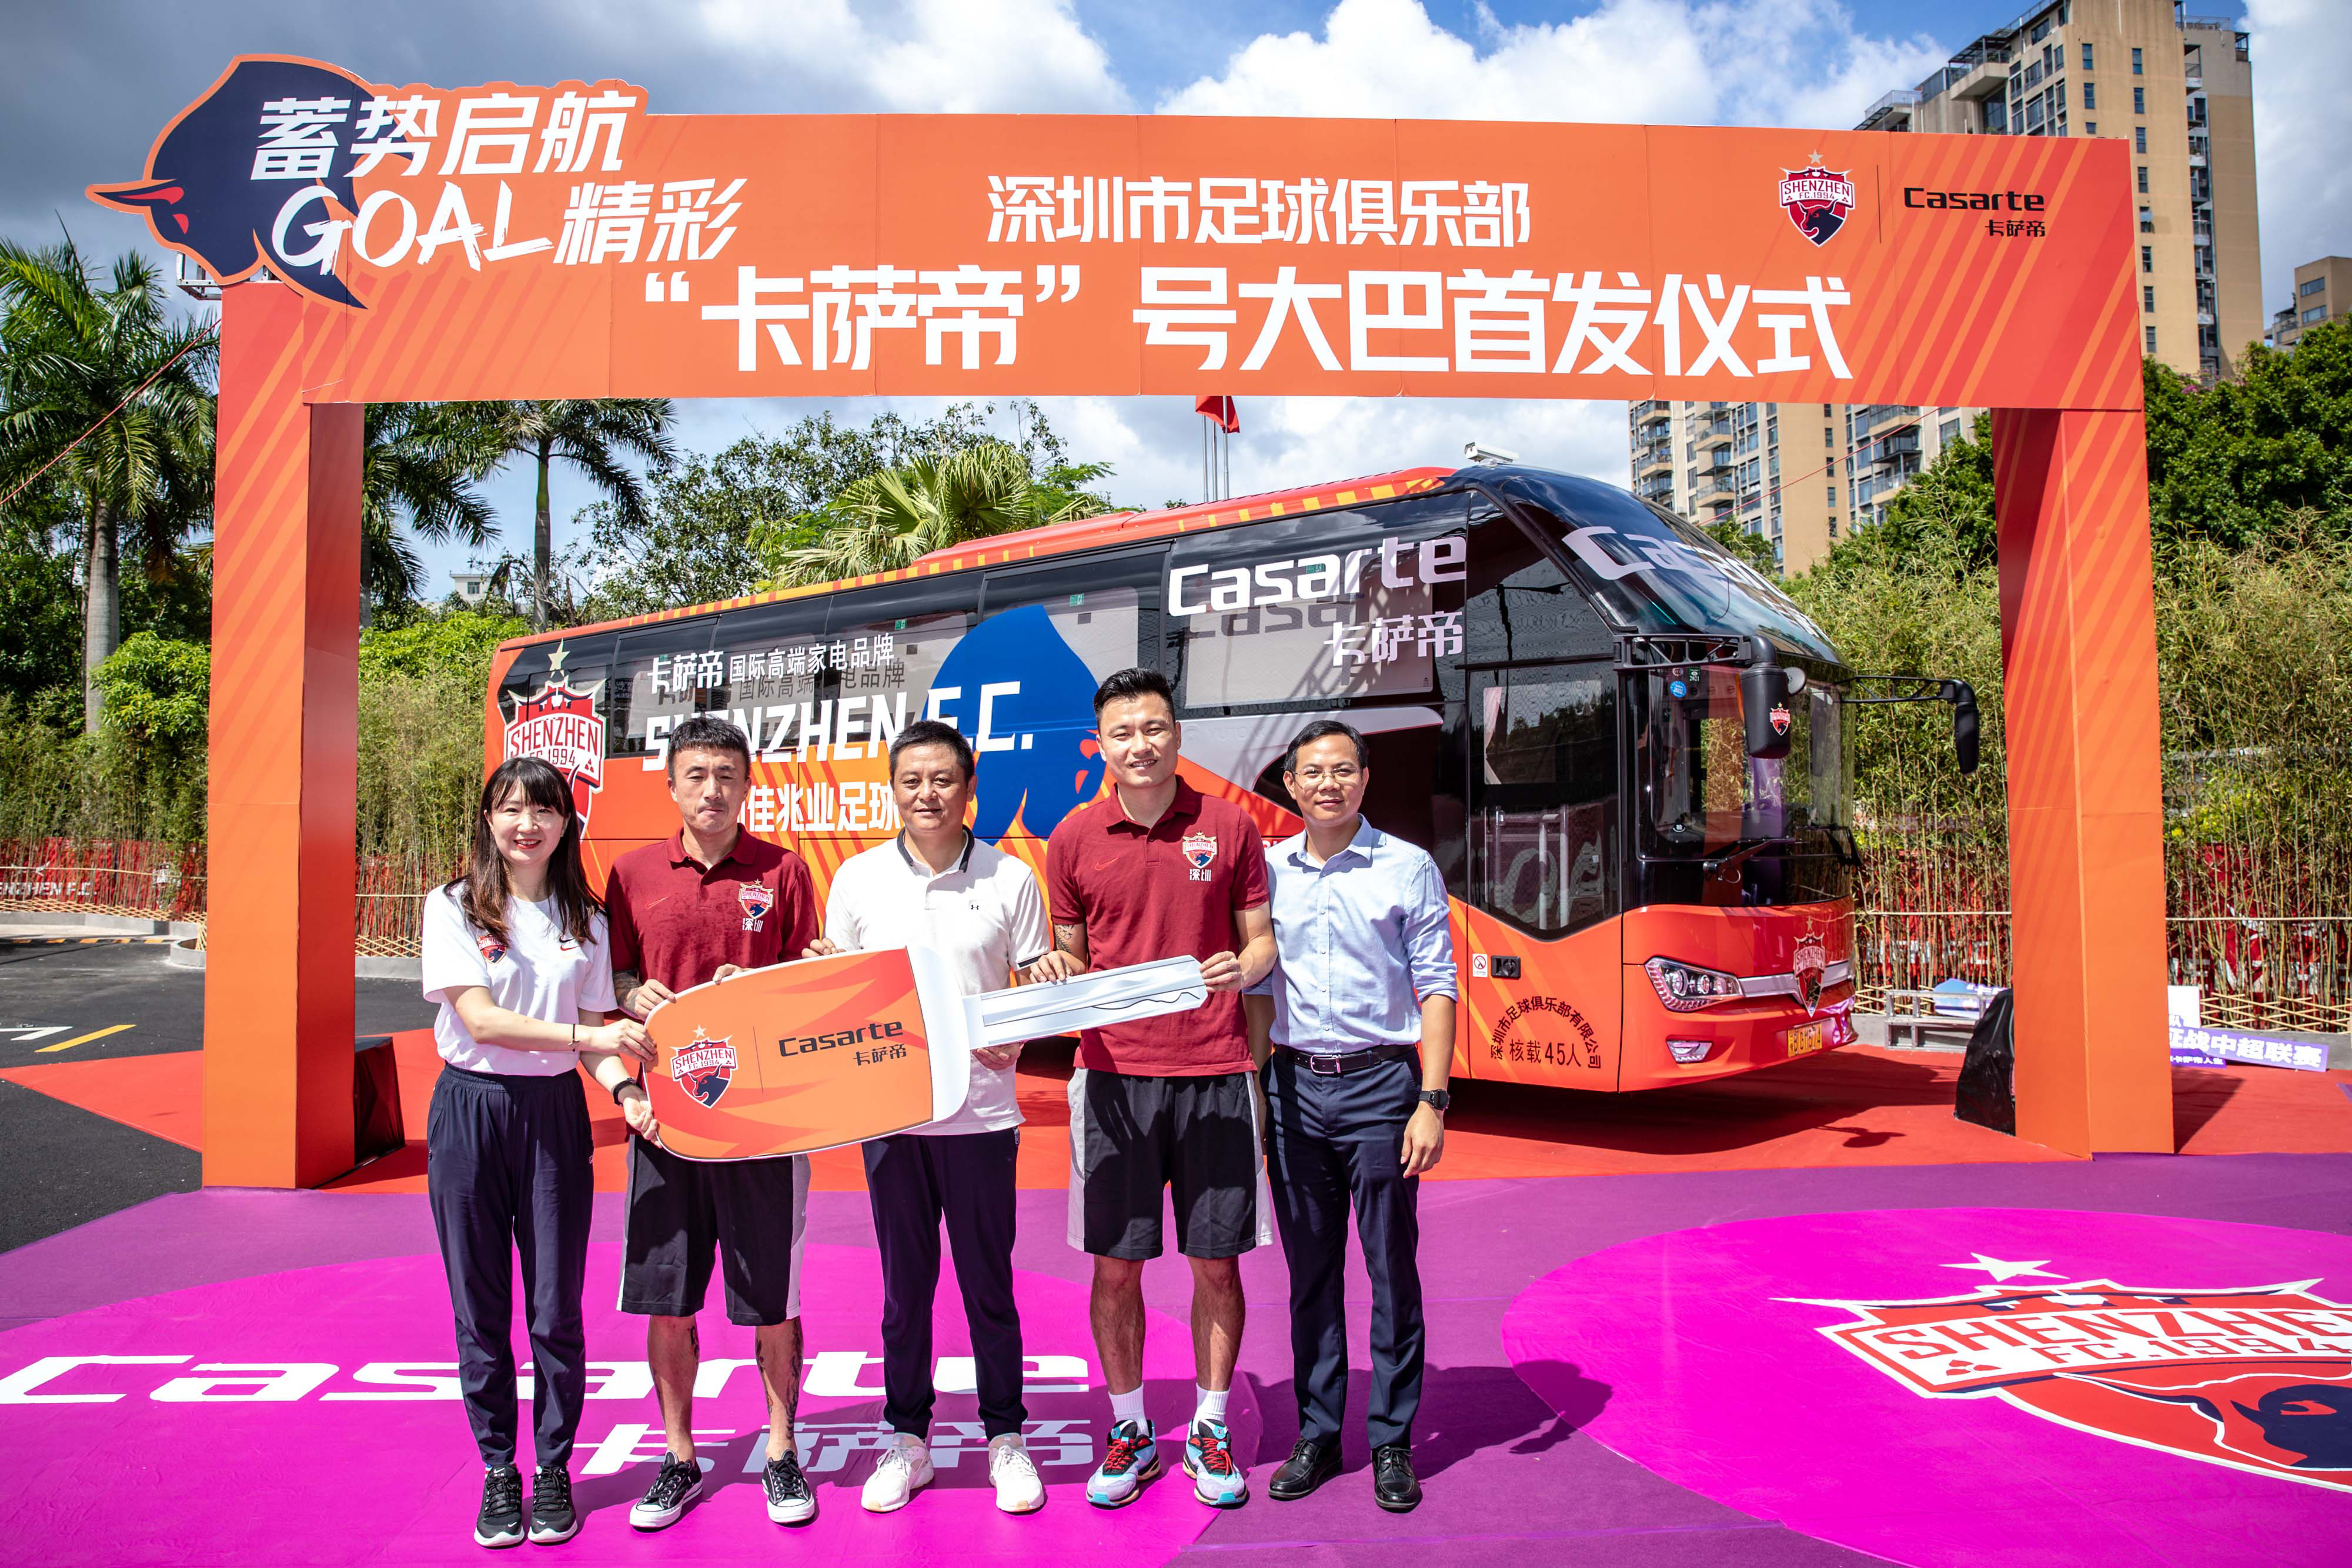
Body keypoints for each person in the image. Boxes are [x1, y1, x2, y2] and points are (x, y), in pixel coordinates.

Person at [801, 719, 1054, 1516]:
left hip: (983, 1117)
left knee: (989, 1286)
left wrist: (1017, 1036)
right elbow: (840, 993)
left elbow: (1035, 985)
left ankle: (1005, 1437)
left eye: (943, 779)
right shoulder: (858, 879)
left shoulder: (1011, 879)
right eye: (911, 781)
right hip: (894, 1119)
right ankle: (907, 1438)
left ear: (970, 788)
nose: (927, 794)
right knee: (904, 1291)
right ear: (893, 790)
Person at [1041, 667, 1276, 1510]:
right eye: (1123, 732)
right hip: (1112, 1081)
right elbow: (1070, 953)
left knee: (1217, 1265)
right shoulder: (1072, 836)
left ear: (1176, 733)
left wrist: (1242, 967)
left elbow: (1261, 944)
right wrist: (1055, 968)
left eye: (1154, 728)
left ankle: (1209, 1427)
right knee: (1116, 1269)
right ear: (1100, 745)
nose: (1140, 745)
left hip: (1215, 1075)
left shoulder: (1229, 825)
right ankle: (1132, 1429)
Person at [421, 756, 654, 1549]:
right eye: (512, 809)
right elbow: (483, 1022)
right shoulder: (455, 906)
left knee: (555, 1308)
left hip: (553, 1115)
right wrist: (595, 1037)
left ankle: (553, 1466)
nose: (528, 825)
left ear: (566, 823)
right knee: (480, 1308)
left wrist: (625, 1092)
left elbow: (595, 1043)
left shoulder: (586, 919)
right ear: (489, 819)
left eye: (544, 811)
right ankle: (499, 1468)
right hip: (471, 1110)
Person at [604, 714, 822, 1531]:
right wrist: (633, 992)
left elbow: (810, 984)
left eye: (727, 775)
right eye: (696, 775)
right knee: (669, 1298)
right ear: (671, 784)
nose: (712, 790)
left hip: (766, 1120)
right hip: (666, 1119)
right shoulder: (631, 873)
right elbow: (611, 979)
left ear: (748, 784)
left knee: (773, 1299)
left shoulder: (784, 870)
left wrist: (759, 991)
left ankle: (782, 1453)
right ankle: (679, 1459)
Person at [1244, 720, 1455, 1513]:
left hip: (1381, 1089)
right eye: (1312, 773)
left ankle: (1393, 1440)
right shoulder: (1267, 874)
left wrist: (1431, 1100)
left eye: (1342, 770)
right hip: (1295, 1091)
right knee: (1311, 1275)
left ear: (1365, 780)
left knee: (1391, 1269)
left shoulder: (1408, 867)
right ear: (1291, 785)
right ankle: (1320, 1432)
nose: (1327, 784)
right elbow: (1258, 994)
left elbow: (1437, 985)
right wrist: (1255, 1093)